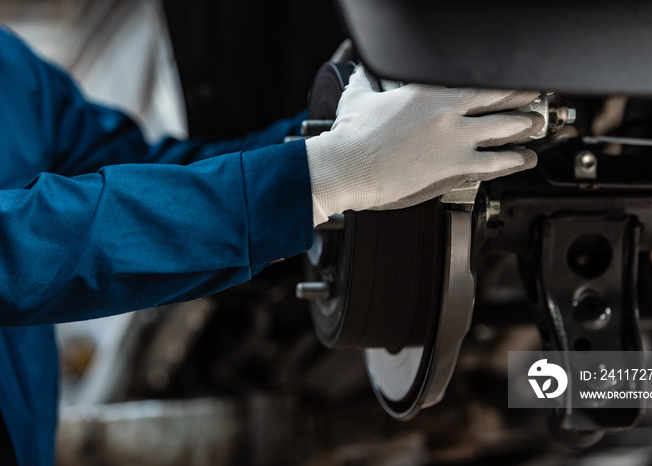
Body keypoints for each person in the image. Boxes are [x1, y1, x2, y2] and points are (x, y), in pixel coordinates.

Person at [0, 25, 543, 465]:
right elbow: (15, 248)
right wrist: (320, 178)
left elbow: (140, 173)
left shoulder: (10, 68)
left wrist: (329, 134)